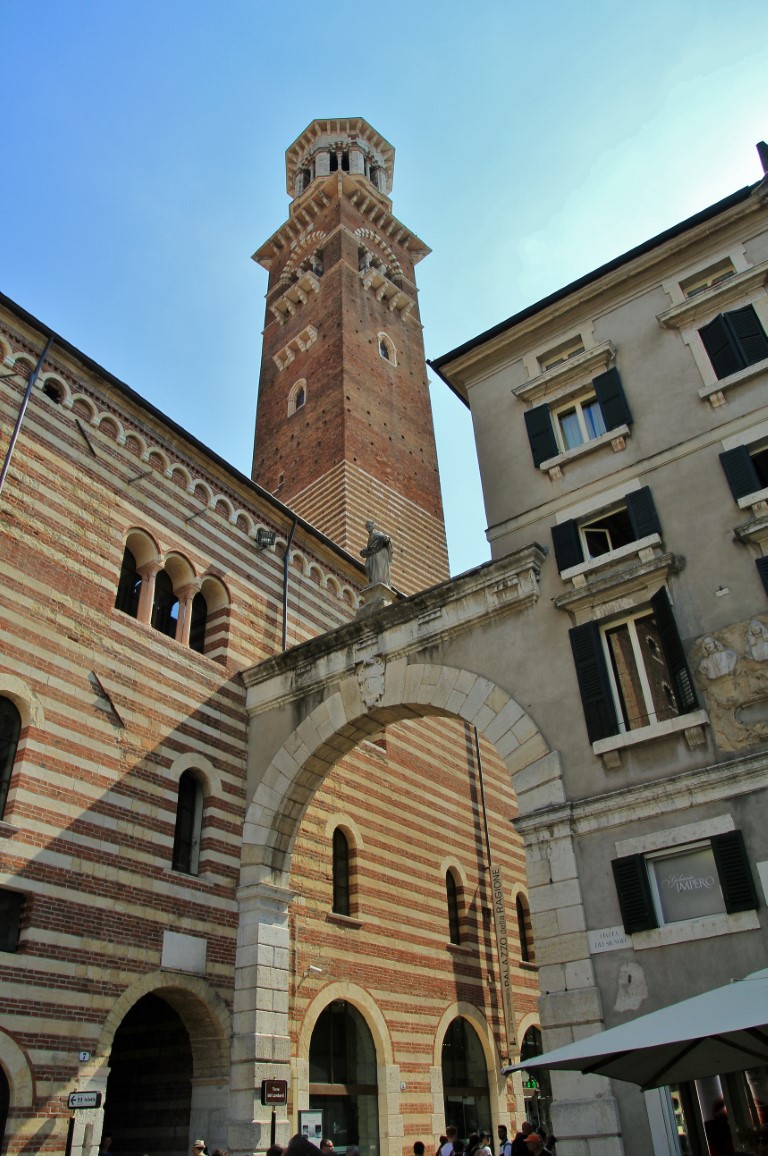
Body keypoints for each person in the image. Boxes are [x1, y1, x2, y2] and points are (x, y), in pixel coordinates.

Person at [360, 519, 393, 586]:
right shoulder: (370, 538)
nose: (368, 528)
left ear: (373, 526)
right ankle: (373, 582)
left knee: (378, 570)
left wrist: (386, 538)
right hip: (372, 555)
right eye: (367, 526)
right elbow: (371, 548)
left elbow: (384, 538)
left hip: (378, 554)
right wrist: (365, 551)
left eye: (369, 526)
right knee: (367, 567)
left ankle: (378, 582)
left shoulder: (378, 533)